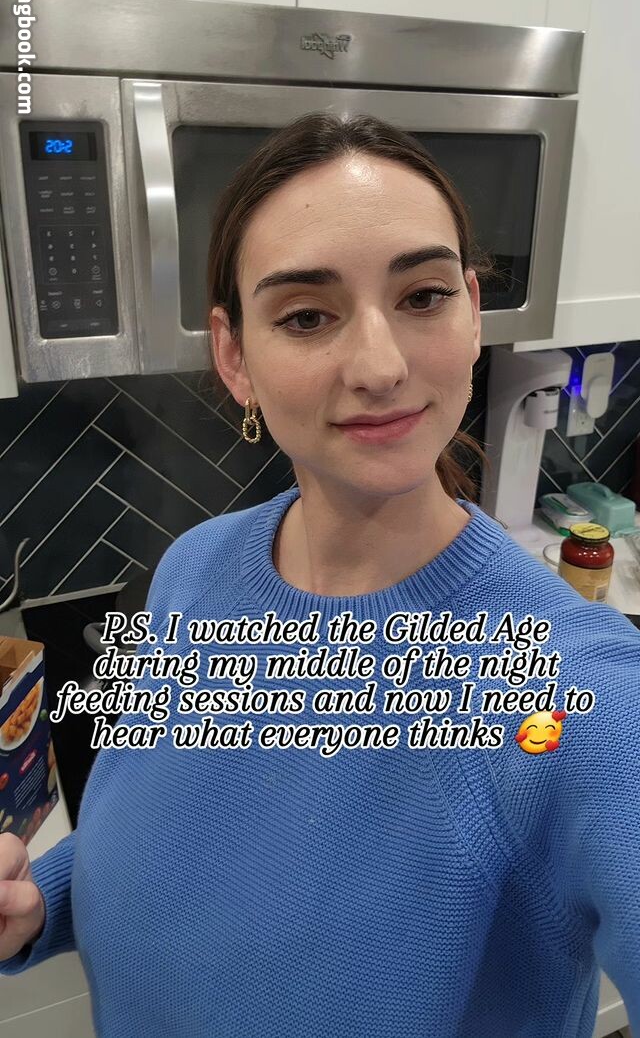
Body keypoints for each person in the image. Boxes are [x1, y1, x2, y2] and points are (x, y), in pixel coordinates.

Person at [1, 112, 639, 1038]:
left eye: (423, 296)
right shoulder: (195, 572)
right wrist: (41, 901)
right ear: (235, 357)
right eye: (307, 315)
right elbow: (167, 849)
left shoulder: (581, 695)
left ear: (471, 314)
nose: (380, 365)